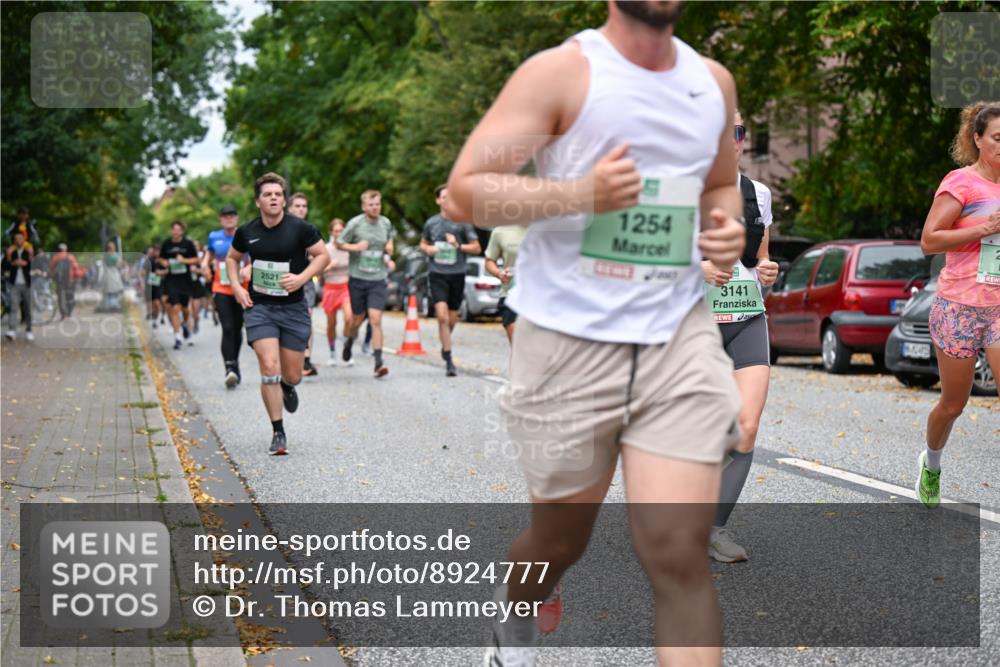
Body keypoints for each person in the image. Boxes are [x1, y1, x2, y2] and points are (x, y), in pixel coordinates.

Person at [445, 2, 746, 664]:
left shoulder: (711, 83)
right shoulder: (560, 74)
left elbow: (720, 185)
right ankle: (516, 608)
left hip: (677, 337)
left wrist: (725, 231)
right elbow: (465, 192)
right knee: (559, 540)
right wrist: (580, 193)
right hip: (567, 344)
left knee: (677, 548)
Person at [702, 111, 780, 562]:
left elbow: (761, 260)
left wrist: (767, 271)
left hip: (748, 316)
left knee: (746, 428)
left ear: (742, 140)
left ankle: (713, 530)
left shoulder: (758, 193)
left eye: (734, 130)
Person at [917, 101, 1000, 508]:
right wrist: (983, 228)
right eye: (998, 138)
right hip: (959, 306)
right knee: (953, 405)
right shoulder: (961, 184)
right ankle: (931, 463)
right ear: (978, 139)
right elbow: (929, 240)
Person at [226, 172, 328, 456]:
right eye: (267, 194)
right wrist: (236, 286)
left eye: (278, 194)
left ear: (283, 200)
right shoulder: (247, 232)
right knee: (269, 366)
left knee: (293, 374)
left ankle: (288, 385)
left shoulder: (301, 229)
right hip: (261, 308)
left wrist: (301, 278)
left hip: (293, 308)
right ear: (258, 201)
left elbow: (323, 256)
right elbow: (232, 259)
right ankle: (278, 432)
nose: (273, 198)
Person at [419, 184, 481, 376]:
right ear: (438, 200)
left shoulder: (463, 223)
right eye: (444, 197)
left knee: (452, 319)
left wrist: (458, 245)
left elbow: (477, 248)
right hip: (437, 274)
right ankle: (449, 358)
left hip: (457, 275)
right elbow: (423, 243)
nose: (448, 200)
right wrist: (428, 249)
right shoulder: (431, 223)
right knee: (442, 317)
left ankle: (445, 343)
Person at [337, 190, 395, 378]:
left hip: (378, 278)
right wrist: (355, 247)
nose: (375, 207)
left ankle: (378, 362)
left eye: (377, 204)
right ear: (364, 206)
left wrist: (389, 247)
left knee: (376, 318)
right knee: (357, 318)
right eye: (371, 204)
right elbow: (339, 243)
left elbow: (390, 237)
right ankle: (349, 341)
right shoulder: (355, 224)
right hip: (358, 278)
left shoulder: (385, 222)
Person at [204, 204, 249, 388]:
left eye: (232, 216)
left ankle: (235, 364)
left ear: (236, 218)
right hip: (220, 286)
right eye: (225, 216)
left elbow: (254, 256)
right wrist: (204, 265)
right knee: (227, 326)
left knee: (238, 328)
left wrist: (248, 268)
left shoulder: (245, 234)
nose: (229, 219)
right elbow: (208, 256)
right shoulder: (214, 237)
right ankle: (229, 367)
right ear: (220, 219)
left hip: (240, 287)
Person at [288, 192, 320, 377]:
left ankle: (306, 358)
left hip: (306, 281)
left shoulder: (310, 230)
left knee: (307, 317)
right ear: (290, 207)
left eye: (304, 206)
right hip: (283, 281)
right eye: (298, 206)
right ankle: (292, 356)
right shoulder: (281, 227)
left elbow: (322, 257)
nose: (301, 209)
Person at [159, 221, 199, 350]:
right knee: (175, 308)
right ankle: (177, 337)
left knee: (186, 309)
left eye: (178, 229)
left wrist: (184, 260)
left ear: (182, 231)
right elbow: (160, 258)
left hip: (185, 280)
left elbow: (196, 259)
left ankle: (186, 325)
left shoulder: (188, 244)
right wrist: (164, 262)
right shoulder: (166, 244)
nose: (176, 231)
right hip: (172, 280)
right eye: (174, 229)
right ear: (171, 231)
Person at [484, 225, 527, 343]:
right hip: (510, 294)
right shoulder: (500, 231)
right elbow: (489, 261)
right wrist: (499, 273)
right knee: (519, 346)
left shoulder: (547, 228)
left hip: (540, 298)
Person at [321, 218, 354, 366]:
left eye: (341, 231)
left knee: (349, 319)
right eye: (336, 231)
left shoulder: (349, 248)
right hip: (330, 288)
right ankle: (332, 352)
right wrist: (330, 266)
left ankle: (347, 351)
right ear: (331, 233)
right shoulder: (326, 249)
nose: (338, 233)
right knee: (331, 323)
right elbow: (317, 272)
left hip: (346, 288)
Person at [4, 231, 34, 341]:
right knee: (13, 307)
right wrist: (12, 261)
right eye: (16, 239)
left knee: (28, 308)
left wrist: (29, 258)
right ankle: (12, 330)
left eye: (20, 239)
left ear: (24, 240)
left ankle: (29, 330)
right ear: (14, 241)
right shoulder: (11, 251)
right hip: (14, 284)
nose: (18, 241)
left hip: (27, 284)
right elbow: (4, 267)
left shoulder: (28, 251)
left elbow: (34, 266)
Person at [50, 243, 82, 320]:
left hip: (59, 280)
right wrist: (77, 276)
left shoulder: (56, 257)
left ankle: (63, 314)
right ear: (66, 249)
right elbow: (76, 267)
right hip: (70, 279)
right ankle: (69, 313)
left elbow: (51, 267)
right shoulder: (70, 257)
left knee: (61, 297)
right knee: (70, 296)